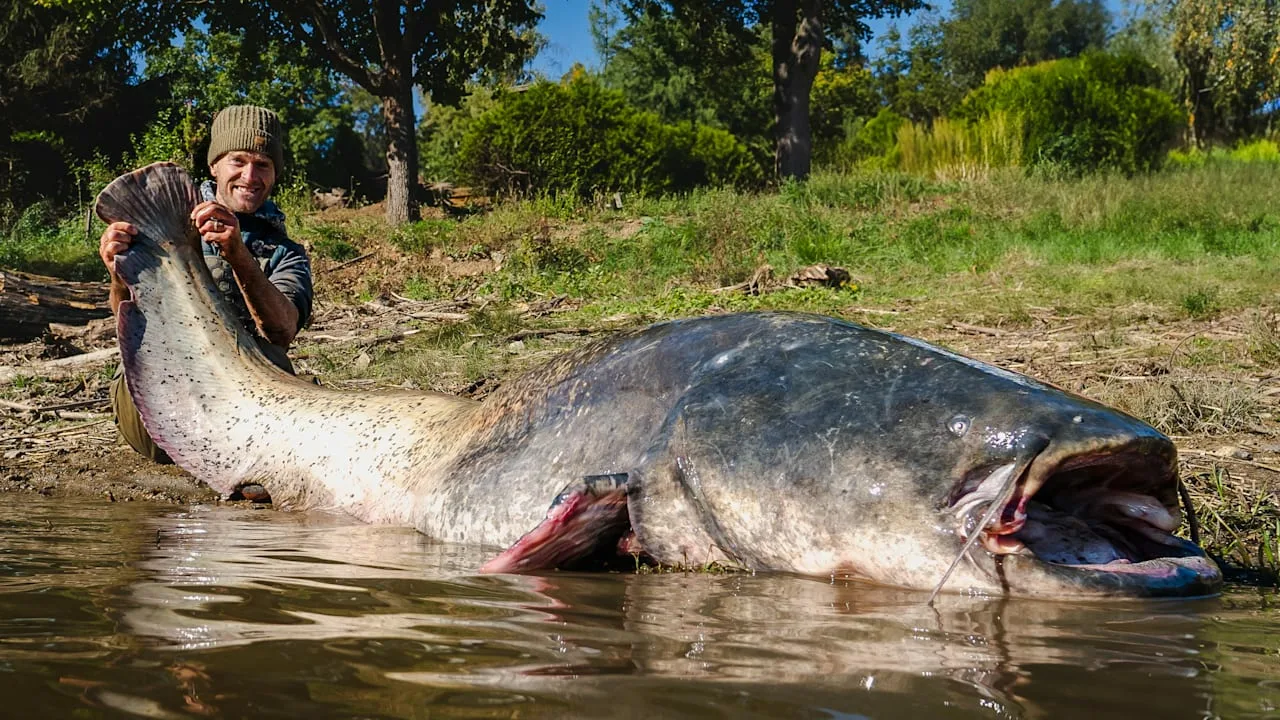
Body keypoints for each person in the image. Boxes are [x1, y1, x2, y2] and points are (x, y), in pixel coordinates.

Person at [99, 105, 313, 467]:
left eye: (263, 165)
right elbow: (126, 314)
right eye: (237, 161)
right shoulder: (163, 225)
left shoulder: (286, 253)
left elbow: (282, 331)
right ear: (214, 165)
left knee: (282, 375)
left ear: (275, 174)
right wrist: (118, 274)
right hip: (164, 387)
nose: (250, 176)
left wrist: (238, 254)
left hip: (244, 395)